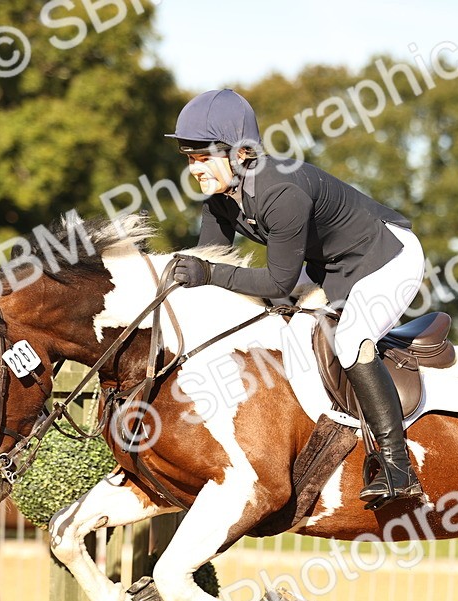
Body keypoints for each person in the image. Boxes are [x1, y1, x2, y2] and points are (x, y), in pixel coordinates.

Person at [164, 89, 426, 509]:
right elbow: (208, 261)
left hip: (385, 257)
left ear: (240, 153)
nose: (194, 168)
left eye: (202, 157)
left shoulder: (281, 192)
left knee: (350, 341)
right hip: (332, 265)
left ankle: (398, 466)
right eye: (188, 157)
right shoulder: (220, 197)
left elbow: (279, 281)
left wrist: (208, 273)